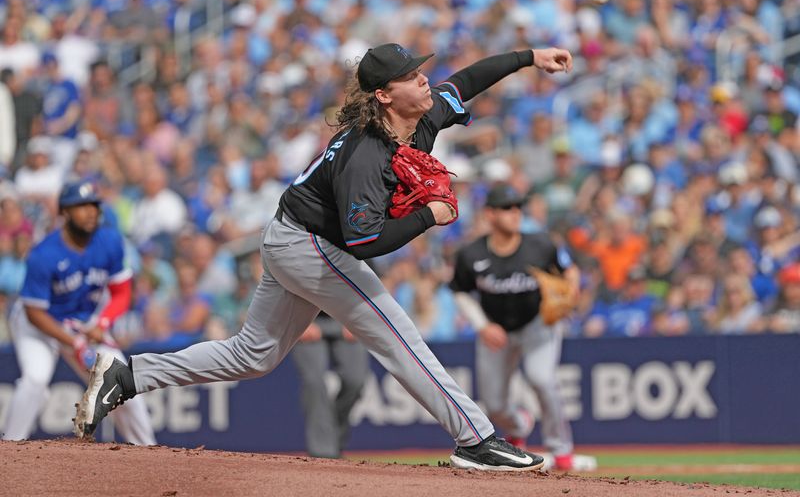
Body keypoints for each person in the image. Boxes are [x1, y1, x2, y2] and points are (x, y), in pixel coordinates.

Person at [74, 42, 573, 471]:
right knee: (396, 334)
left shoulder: (420, 113)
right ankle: (477, 440)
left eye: (420, 72)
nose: (425, 80)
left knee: (254, 354)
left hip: (293, 238)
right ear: (384, 95)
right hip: (310, 244)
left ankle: (129, 375)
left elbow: (466, 80)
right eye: (411, 76)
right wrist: (429, 216)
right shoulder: (365, 154)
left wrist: (530, 57)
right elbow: (364, 243)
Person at [450, 183, 596, 472]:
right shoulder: (471, 254)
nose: (515, 213)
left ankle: (561, 450)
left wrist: (573, 286)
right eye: (507, 208)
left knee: (541, 379)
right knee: (494, 405)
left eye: (518, 207)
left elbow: (569, 270)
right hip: (496, 332)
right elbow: (460, 290)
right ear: (490, 214)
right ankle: (520, 424)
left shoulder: (540, 244)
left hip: (537, 325)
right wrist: (482, 325)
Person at [2, 180, 155, 445]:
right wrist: (75, 343)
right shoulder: (44, 253)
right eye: (80, 206)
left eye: (93, 205)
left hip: (82, 324)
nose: (90, 212)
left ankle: (150, 452)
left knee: (122, 381)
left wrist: (102, 322)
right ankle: (10, 448)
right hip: (38, 327)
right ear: (64, 212)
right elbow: (33, 313)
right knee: (35, 379)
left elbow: (122, 292)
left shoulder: (109, 242)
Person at [291, 313, 369, 458]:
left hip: (345, 316)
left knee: (355, 380)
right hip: (306, 317)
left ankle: (333, 439)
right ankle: (323, 453)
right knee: (314, 382)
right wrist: (295, 320)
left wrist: (359, 319)